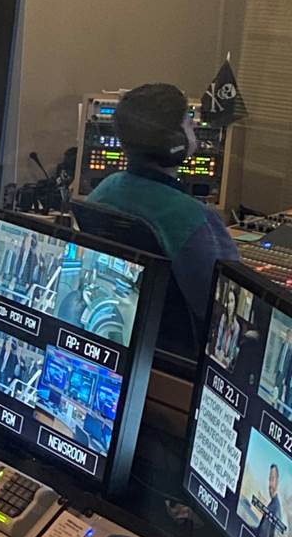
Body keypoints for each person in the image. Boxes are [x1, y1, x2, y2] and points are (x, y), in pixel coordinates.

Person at [86, 84, 239, 344]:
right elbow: (224, 307)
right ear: (175, 144)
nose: (193, 126)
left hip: (128, 338)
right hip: (179, 356)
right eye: (187, 123)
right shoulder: (192, 218)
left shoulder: (104, 190)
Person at [259, 464, 285, 537]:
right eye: (270, 479)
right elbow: (260, 531)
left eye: (272, 479)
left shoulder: (276, 509)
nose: (270, 484)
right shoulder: (271, 504)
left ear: (277, 482)